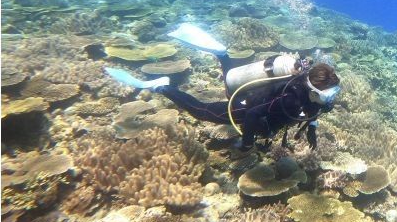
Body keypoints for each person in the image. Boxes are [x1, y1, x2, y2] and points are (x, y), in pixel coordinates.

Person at [105, 23, 340, 152]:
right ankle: (161, 87)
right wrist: (247, 144)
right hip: (246, 105)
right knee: (201, 111)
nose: (331, 99)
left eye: (333, 94)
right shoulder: (291, 98)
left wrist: (311, 129)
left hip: (252, 94)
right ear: (312, 90)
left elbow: (312, 112)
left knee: (229, 79)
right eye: (328, 94)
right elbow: (253, 114)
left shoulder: (315, 98)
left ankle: (222, 54)